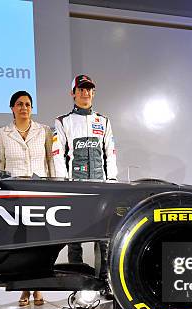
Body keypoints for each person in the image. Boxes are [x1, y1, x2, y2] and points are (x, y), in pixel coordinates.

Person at [52, 74, 117, 297]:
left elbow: (110, 153)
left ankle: (105, 281)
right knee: (75, 238)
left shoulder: (104, 121)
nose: (86, 93)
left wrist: (112, 182)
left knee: (104, 237)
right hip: (75, 189)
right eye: (81, 89)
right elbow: (58, 155)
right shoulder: (62, 122)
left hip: (101, 188)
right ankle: (77, 283)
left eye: (89, 89)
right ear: (73, 93)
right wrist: (63, 185)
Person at [0, 90, 55, 306]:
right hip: (14, 195)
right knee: (20, 243)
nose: (24, 108)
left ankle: (39, 287)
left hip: (39, 193)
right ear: (12, 108)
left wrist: (54, 189)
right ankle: (24, 288)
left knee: (40, 242)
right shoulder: (2, 133)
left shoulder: (45, 131)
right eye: (19, 104)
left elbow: (51, 162)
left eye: (28, 104)